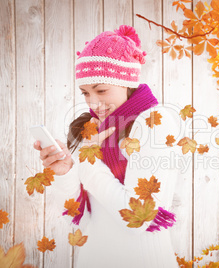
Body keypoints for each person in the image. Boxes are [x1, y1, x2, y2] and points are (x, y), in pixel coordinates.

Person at [33, 25, 184, 267]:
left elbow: (137, 218)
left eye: (101, 90)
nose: (93, 102)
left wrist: (88, 160)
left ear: (126, 82)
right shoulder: (94, 128)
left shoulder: (155, 123)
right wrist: (67, 173)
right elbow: (81, 219)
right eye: (85, 93)